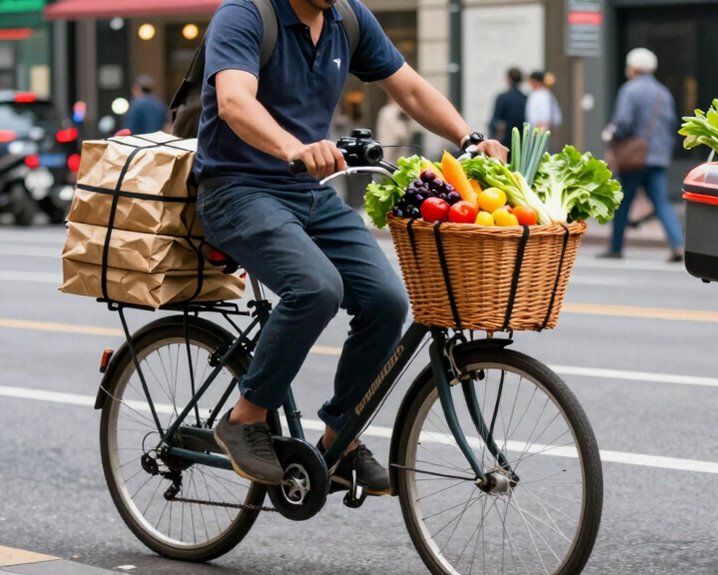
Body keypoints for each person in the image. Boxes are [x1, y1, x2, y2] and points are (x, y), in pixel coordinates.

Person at [194, 0, 506, 493]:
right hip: (237, 190)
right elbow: (234, 101)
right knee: (316, 289)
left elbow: (410, 88)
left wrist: (469, 139)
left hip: (309, 192)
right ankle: (244, 418)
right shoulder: (247, 14)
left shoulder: (349, 19)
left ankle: (340, 440)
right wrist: (294, 147)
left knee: (387, 301)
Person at [600, 48, 684, 262]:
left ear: (634, 68)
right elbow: (672, 124)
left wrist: (611, 134)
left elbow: (623, 122)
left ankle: (616, 246)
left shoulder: (630, 90)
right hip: (659, 155)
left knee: (623, 201)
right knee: (661, 202)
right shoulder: (663, 92)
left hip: (634, 156)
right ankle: (678, 244)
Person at [488, 67, 527, 148]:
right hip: (522, 140)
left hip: (505, 140)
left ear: (509, 79)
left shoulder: (502, 97)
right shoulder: (525, 98)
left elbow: (495, 120)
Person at [375, 93, 414, 165]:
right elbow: (400, 133)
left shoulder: (387, 110)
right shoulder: (390, 111)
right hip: (390, 147)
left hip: (397, 148)